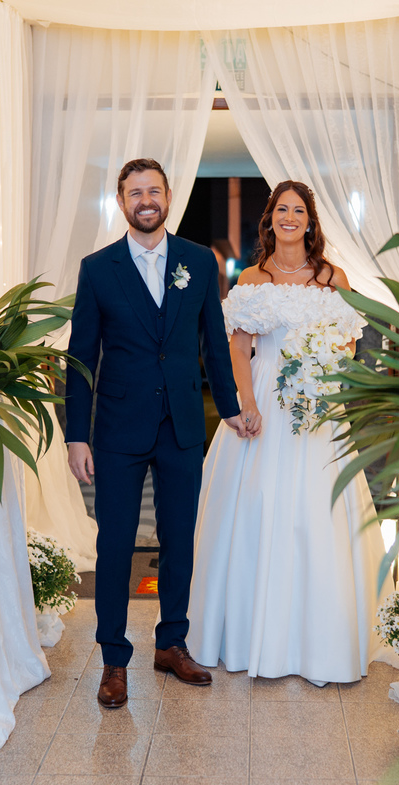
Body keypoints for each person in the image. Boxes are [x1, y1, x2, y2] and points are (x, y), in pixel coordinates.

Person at [185, 180, 392, 686]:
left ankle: (322, 638)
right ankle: (248, 630)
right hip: (264, 402)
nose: (290, 218)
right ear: (270, 218)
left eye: (299, 210)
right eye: (282, 209)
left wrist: (326, 374)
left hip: (319, 407)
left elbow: (348, 341)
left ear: (311, 221)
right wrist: (245, 402)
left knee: (317, 512)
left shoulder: (332, 277)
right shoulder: (252, 277)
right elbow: (238, 347)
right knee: (256, 504)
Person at [64, 158, 248, 709]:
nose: (145, 200)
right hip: (118, 429)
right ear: (122, 203)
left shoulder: (198, 260)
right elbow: (81, 358)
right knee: (116, 545)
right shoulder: (98, 269)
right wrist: (77, 436)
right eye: (134, 192)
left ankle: (171, 643)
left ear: (169, 196)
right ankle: (114, 661)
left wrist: (233, 407)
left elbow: (214, 342)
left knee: (179, 542)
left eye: (153, 190)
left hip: (183, 427)